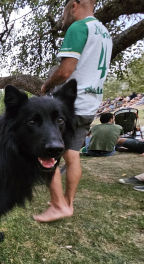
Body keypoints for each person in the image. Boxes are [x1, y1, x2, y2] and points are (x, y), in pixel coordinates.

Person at [35, 0, 113, 222]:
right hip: (90, 104)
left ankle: (58, 205)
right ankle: (68, 203)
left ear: (74, 5)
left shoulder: (79, 27)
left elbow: (66, 70)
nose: (64, 17)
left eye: (65, 10)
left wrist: (47, 86)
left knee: (49, 153)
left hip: (71, 104)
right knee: (72, 154)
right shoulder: (104, 33)